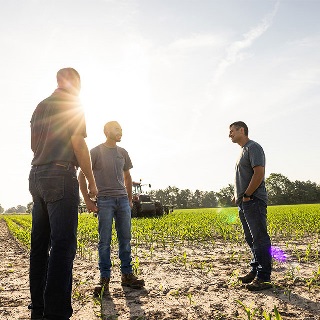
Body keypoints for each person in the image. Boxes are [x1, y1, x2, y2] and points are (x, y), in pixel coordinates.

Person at [28, 68, 98, 320]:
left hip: (36, 175)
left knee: (39, 246)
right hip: (60, 173)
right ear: (76, 83)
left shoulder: (40, 106)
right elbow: (78, 142)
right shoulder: (72, 103)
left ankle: (38, 309)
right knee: (63, 245)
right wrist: (91, 181)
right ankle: (56, 314)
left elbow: (32, 145)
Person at [79, 121, 145, 295]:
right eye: (117, 129)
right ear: (106, 131)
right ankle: (105, 278)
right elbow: (81, 175)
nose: (120, 132)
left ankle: (127, 275)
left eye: (121, 129)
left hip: (122, 201)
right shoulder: (94, 152)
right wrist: (87, 201)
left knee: (125, 239)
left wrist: (129, 200)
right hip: (105, 201)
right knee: (104, 242)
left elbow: (127, 176)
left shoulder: (123, 152)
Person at [229, 121, 272, 291]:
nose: (229, 134)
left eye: (232, 131)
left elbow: (259, 172)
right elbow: (245, 175)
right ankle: (255, 270)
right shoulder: (243, 151)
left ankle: (264, 276)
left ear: (242, 130)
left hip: (253, 201)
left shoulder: (253, 147)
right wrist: (238, 195)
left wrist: (247, 195)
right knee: (251, 239)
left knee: (260, 238)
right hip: (244, 202)